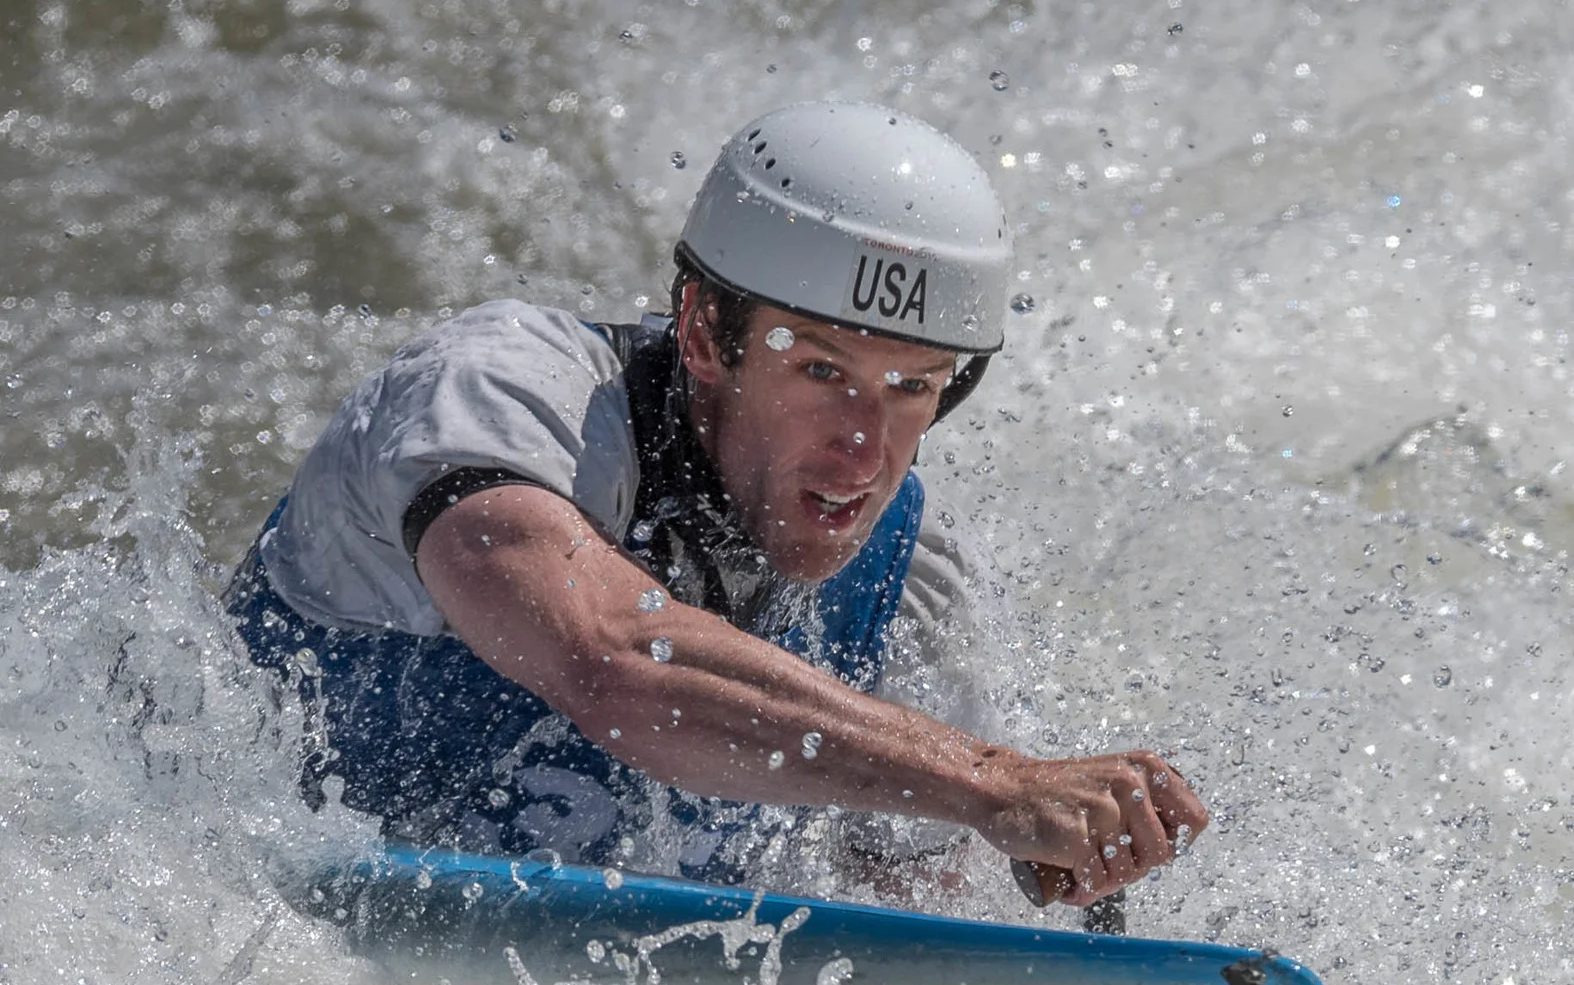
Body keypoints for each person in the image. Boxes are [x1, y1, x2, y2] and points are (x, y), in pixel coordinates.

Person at [225, 100, 1205, 908]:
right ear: (702, 332)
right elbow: (605, 656)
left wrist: (1066, 867)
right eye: (823, 369)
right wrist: (990, 784)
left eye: (912, 385)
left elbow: (889, 903)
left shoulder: (908, 581)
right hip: (230, 928)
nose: (864, 448)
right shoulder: (509, 395)